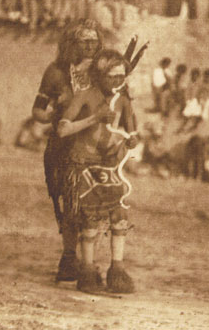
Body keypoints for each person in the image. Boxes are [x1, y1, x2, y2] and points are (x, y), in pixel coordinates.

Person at [57, 49, 138, 294]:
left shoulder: (123, 100)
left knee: (120, 215)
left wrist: (129, 141)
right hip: (81, 165)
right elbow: (62, 130)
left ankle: (117, 269)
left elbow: (130, 130)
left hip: (106, 167)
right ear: (99, 76)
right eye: (112, 77)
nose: (118, 82)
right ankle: (88, 272)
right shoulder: (84, 96)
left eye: (121, 77)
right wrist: (94, 118)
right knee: (90, 220)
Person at [31, 19, 103, 282]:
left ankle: (88, 262)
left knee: (94, 206)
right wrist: (55, 112)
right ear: (72, 42)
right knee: (70, 204)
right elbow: (37, 111)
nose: (89, 46)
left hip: (96, 147)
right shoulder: (56, 72)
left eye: (94, 40)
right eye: (84, 40)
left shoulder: (102, 70)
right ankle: (69, 256)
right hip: (63, 147)